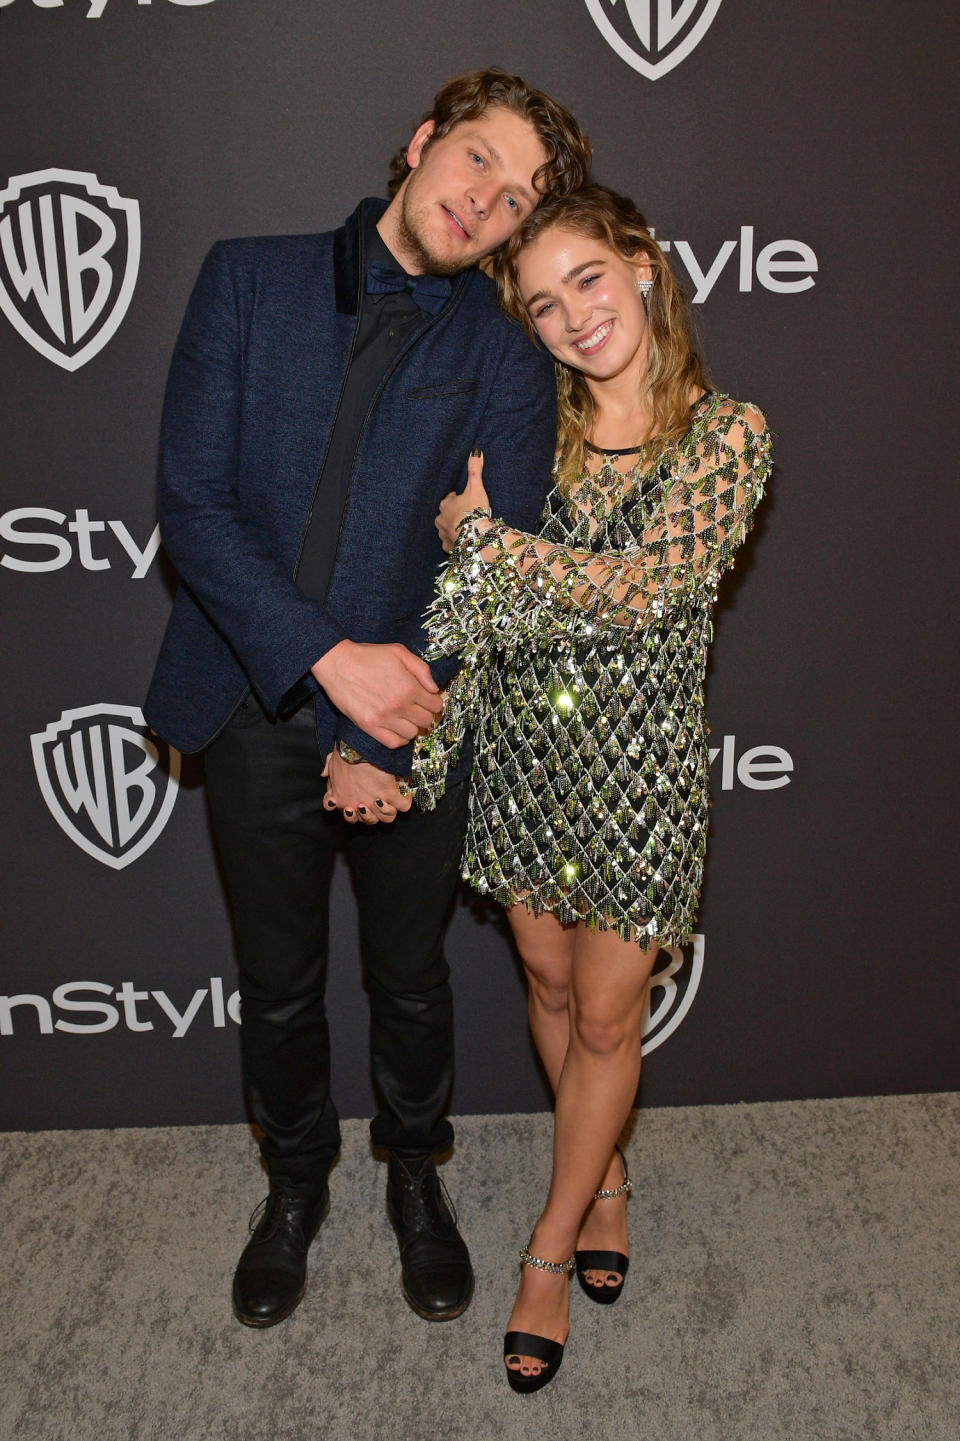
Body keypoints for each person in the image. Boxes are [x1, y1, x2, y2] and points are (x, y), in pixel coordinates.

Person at [144, 69, 591, 1330]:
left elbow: (484, 563)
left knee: (410, 976)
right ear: (420, 144)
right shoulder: (247, 276)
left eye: (515, 201)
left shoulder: (506, 355)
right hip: (251, 695)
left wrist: (377, 728)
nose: (487, 203)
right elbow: (195, 505)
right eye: (477, 164)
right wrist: (328, 667)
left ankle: (414, 1176)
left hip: (417, 717)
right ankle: (294, 1187)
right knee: (278, 980)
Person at [416, 184, 773, 1390]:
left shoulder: (727, 435)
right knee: (553, 988)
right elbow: (477, 610)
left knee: (612, 1016)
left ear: (644, 265)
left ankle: (549, 1250)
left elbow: (648, 591)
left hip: (642, 774)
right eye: (541, 303)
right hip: (523, 756)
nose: (571, 316)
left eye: (586, 279)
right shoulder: (531, 427)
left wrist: (492, 546)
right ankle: (606, 1169)